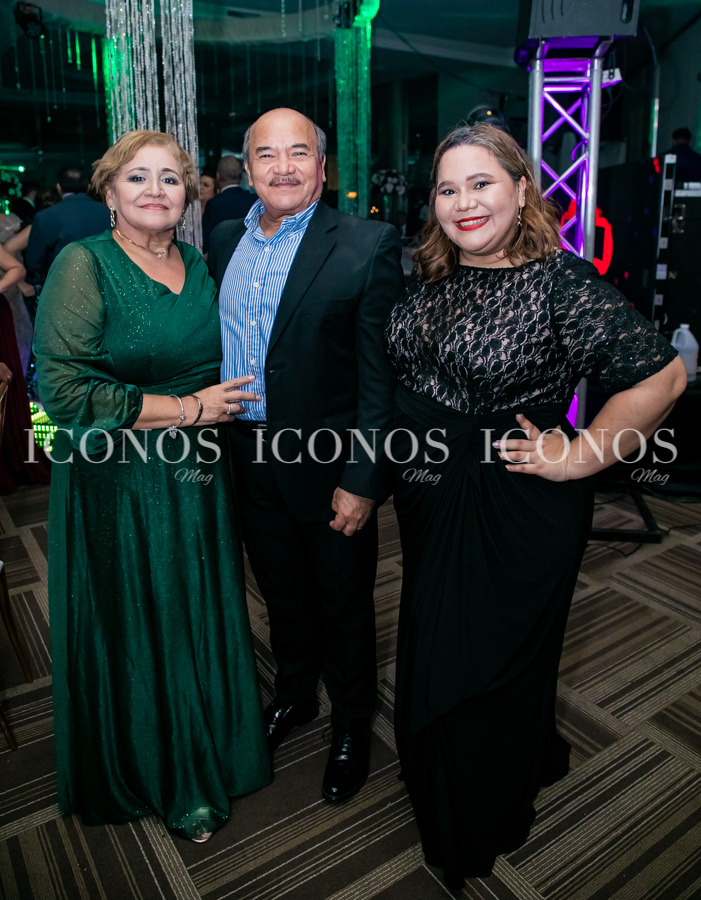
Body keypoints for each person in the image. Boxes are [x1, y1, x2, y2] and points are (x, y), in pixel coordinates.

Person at [384, 123, 687, 887]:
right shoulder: (430, 275)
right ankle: (472, 776)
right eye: (447, 189)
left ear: (521, 189)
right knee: (437, 646)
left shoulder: (559, 284)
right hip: (432, 502)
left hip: (515, 507)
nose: (463, 202)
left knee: (487, 666)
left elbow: (662, 377)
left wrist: (582, 454)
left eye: (480, 183)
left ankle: (476, 816)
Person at [33, 130, 271, 842]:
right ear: (109, 192)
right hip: (119, 478)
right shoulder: (84, 263)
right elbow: (63, 392)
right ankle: (160, 769)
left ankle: (211, 745)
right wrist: (189, 408)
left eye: (171, 178)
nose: (156, 190)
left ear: (189, 195)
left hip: (197, 475)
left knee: (196, 600)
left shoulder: (198, 263)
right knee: (145, 611)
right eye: (138, 177)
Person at [208, 108, 404, 804]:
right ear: (247, 168)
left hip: (328, 464)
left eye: (299, 153)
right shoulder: (223, 238)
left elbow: (381, 380)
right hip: (243, 454)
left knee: (343, 603)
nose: (283, 167)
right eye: (267, 154)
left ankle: (351, 720)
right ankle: (295, 694)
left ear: (322, 168)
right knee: (280, 591)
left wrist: (364, 479)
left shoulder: (366, 243)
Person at [24, 164, 110, 289]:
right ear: (88, 187)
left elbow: (34, 262)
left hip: (61, 286)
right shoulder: (108, 212)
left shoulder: (44, 216)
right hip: (104, 284)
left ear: (59, 188)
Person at [201, 154, 255, 253]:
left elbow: (206, 243)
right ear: (241, 177)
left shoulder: (214, 204)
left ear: (218, 176)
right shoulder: (254, 200)